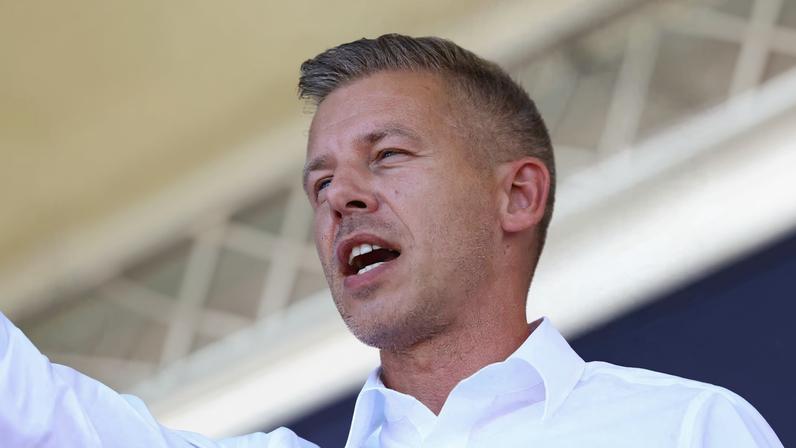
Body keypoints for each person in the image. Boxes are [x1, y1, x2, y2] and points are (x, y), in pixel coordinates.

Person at [0, 34, 783, 447]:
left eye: (388, 155)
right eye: (319, 184)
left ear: (516, 195)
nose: (341, 195)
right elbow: (41, 418)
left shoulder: (681, 430)